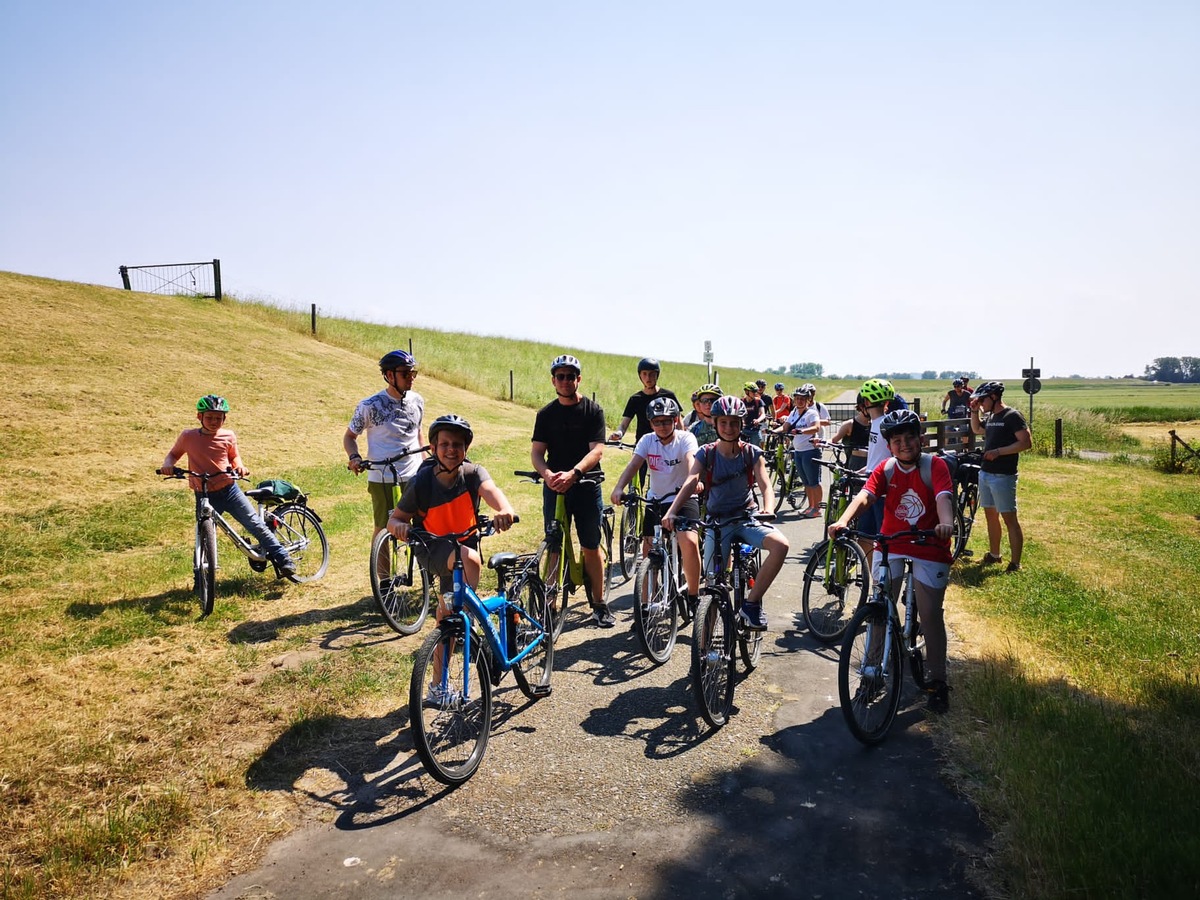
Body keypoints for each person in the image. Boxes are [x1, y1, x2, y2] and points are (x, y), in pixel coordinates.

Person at [828, 409, 956, 712]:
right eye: (897, 440)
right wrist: (843, 520)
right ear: (889, 445)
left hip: (929, 544)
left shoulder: (934, 466)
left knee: (930, 613)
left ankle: (938, 681)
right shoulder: (885, 469)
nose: (904, 444)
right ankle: (872, 672)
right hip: (892, 543)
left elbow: (943, 498)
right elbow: (865, 496)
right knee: (878, 609)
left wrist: (946, 522)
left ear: (920, 438)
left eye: (910, 437)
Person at [663, 396, 789, 632]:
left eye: (734, 423)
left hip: (747, 519)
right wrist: (672, 511)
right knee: (712, 586)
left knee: (780, 545)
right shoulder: (706, 453)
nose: (729, 428)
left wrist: (768, 508)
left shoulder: (752, 453)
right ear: (715, 423)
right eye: (723, 423)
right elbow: (691, 481)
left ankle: (751, 605)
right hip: (717, 525)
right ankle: (703, 650)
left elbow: (765, 484)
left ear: (741, 424)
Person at [162, 394, 296, 577]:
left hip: (229, 490)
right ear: (199, 416)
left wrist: (239, 466)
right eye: (209, 417)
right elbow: (173, 454)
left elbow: (234, 456)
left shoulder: (228, 435)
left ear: (224, 419)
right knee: (203, 535)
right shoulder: (188, 436)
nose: (214, 421)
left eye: (219, 418)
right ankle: (200, 579)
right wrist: (168, 465)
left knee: (254, 524)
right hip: (203, 493)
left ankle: (283, 558)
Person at [386, 414, 516, 595]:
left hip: (466, 542)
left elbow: (491, 491)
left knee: (447, 610)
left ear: (466, 449)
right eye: (444, 444)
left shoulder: (473, 474)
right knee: (469, 561)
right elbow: (393, 521)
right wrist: (400, 526)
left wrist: (505, 509)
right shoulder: (421, 482)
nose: (451, 450)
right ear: (433, 448)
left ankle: (454, 619)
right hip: (432, 548)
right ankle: (467, 616)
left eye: (457, 444)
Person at [531, 354, 611, 626]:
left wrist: (575, 473)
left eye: (570, 376)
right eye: (560, 376)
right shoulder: (545, 414)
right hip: (555, 487)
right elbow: (537, 453)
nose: (565, 381)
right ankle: (549, 607)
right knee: (554, 544)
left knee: (590, 544)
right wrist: (548, 474)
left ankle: (599, 604)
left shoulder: (593, 410)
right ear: (554, 380)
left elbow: (597, 450)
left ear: (579, 379)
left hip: (586, 485)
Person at [610, 397, 702, 614]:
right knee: (648, 550)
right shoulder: (647, 441)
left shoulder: (686, 439)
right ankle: (644, 607)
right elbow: (634, 465)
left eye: (667, 421)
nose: (662, 426)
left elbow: (691, 462)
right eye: (657, 422)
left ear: (676, 420)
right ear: (651, 423)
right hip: (656, 499)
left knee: (688, 541)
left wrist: (694, 481)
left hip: (684, 497)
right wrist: (619, 488)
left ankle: (693, 595)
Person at [344, 350, 426, 541]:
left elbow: (418, 433)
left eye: (413, 373)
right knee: (383, 529)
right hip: (383, 477)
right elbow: (349, 437)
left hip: (414, 476)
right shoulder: (370, 405)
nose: (411, 378)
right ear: (390, 376)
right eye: (405, 373)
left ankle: (426, 568)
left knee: (423, 526)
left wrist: (427, 465)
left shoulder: (417, 400)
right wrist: (354, 457)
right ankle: (382, 572)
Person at [969, 381, 1032, 572]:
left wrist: (999, 452)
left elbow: (1026, 443)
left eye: (982, 400)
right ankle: (995, 555)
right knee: (990, 516)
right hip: (986, 473)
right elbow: (977, 430)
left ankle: (1015, 563)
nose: (980, 403)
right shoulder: (991, 416)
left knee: (1009, 518)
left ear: (994, 397)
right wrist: (974, 412)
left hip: (1003, 476)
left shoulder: (1012, 416)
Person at [774, 387, 823, 518]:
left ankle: (817, 508)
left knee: (814, 482)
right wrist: (773, 431)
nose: (799, 401)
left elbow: (816, 427)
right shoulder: (794, 411)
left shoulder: (811, 413)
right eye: (797, 398)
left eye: (802, 399)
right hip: (798, 451)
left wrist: (802, 431)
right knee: (806, 482)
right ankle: (811, 506)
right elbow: (785, 427)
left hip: (810, 451)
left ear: (808, 400)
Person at [609, 357, 679, 443]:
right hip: (642, 446)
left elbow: (678, 422)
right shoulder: (635, 399)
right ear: (640, 376)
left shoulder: (668, 396)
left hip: (665, 444)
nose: (648, 378)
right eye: (644, 374)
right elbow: (624, 424)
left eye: (652, 374)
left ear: (657, 375)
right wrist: (619, 433)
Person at [829, 393, 871, 472]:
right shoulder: (850, 424)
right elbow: (834, 440)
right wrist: (822, 442)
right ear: (861, 407)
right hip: (856, 464)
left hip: (873, 463)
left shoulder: (877, 424)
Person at [741, 382, 768, 446]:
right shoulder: (741, 402)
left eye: (756, 391)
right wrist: (741, 421)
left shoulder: (758, 401)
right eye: (753, 391)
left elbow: (763, 414)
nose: (755, 393)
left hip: (755, 429)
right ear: (747, 392)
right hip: (744, 429)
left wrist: (758, 420)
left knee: (755, 448)